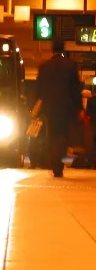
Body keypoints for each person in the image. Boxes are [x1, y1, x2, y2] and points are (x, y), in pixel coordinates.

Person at [34, 39, 84, 177]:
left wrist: (36, 106)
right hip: (66, 106)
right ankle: (59, 158)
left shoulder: (44, 66)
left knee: (51, 134)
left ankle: (55, 162)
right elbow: (74, 88)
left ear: (52, 49)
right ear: (64, 48)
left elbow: (38, 89)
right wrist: (79, 107)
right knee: (63, 134)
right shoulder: (70, 65)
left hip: (48, 107)